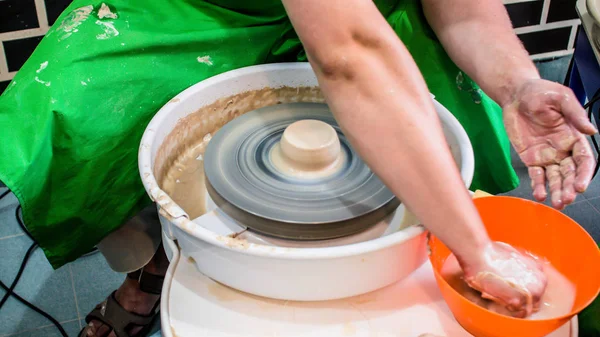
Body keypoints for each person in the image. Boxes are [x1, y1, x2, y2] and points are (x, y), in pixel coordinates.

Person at [0, 0, 595, 336]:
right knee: (80, 121)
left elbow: (458, 7)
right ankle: (156, 265)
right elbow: (347, 56)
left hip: (371, 8)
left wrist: (516, 85)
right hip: (214, 6)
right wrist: (479, 251)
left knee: (450, 132)